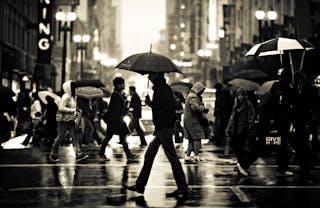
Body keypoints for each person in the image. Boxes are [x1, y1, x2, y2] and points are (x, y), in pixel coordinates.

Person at [123, 72, 188, 199]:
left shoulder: (163, 90)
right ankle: (140, 185)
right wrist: (151, 103)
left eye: (151, 75)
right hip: (161, 128)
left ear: (157, 76)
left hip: (164, 128)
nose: (149, 77)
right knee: (149, 155)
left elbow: (166, 109)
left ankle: (183, 187)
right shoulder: (160, 89)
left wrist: (151, 104)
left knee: (172, 157)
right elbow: (161, 108)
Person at [99, 77, 138, 162]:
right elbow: (117, 109)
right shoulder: (115, 95)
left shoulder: (119, 94)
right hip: (115, 120)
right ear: (118, 85)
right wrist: (127, 110)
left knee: (113, 136)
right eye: (122, 83)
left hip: (116, 120)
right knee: (117, 137)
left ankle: (102, 152)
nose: (124, 85)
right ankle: (129, 155)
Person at [49, 80, 89, 162]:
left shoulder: (72, 97)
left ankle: (78, 154)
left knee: (74, 137)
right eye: (73, 87)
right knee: (60, 137)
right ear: (69, 88)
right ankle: (53, 154)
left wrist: (76, 110)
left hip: (70, 119)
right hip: (64, 120)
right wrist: (73, 110)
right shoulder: (66, 97)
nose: (75, 88)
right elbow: (61, 108)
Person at [225, 88, 256, 176]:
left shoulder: (248, 104)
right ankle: (240, 163)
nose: (239, 97)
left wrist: (250, 126)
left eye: (241, 95)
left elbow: (252, 116)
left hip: (244, 129)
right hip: (236, 129)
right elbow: (232, 118)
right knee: (237, 148)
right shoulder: (236, 105)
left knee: (243, 148)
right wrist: (228, 128)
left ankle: (243, 164)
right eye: (238, 95)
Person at [184, 82, 208, 163]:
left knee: (191, 139)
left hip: (189, 120)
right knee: (197, 138)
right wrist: (203, 107)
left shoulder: (190, 96)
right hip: (193, 121)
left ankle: (187, 156)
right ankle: (196, 156)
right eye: (201, 90)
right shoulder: (193, 97)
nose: (202, 92)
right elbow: (195, 108)